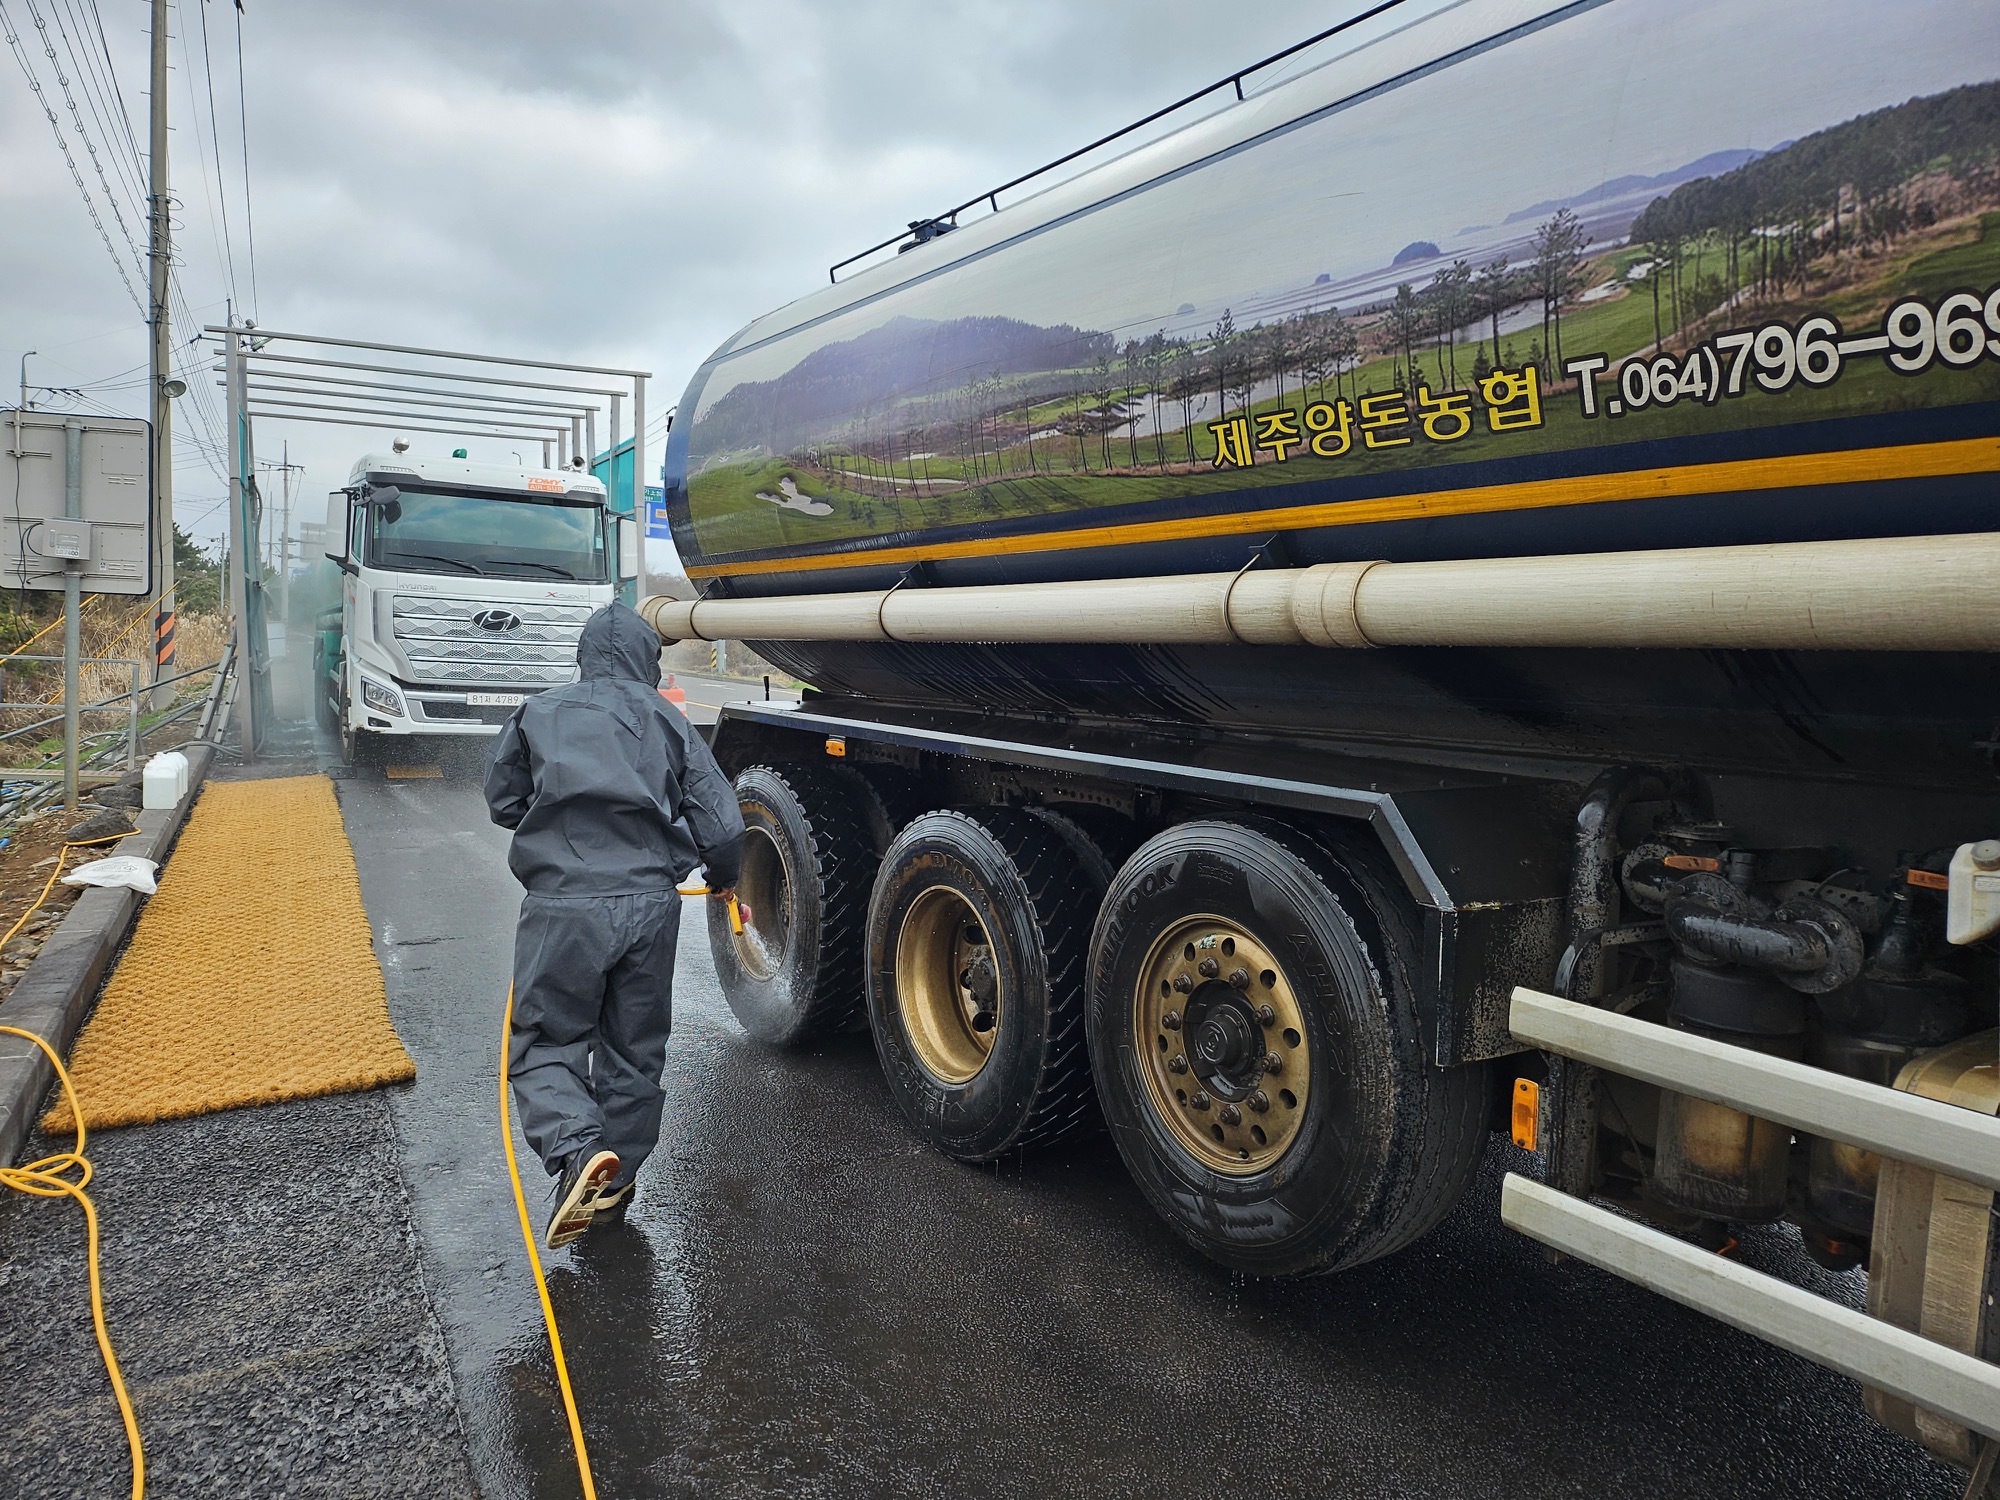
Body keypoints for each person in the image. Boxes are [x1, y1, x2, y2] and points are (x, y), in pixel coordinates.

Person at [484, 601, 744, 1249]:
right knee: (634, 1051)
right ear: (647, 661)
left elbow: (502, 800)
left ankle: (578, 1153)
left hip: (565, 905)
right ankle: (615, 1181)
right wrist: (722, 877)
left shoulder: (538, 712)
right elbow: (725, 823)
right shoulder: (670, 721)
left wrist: (556, 830)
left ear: (582, 656)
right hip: (651, 909)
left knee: (546, 1040)